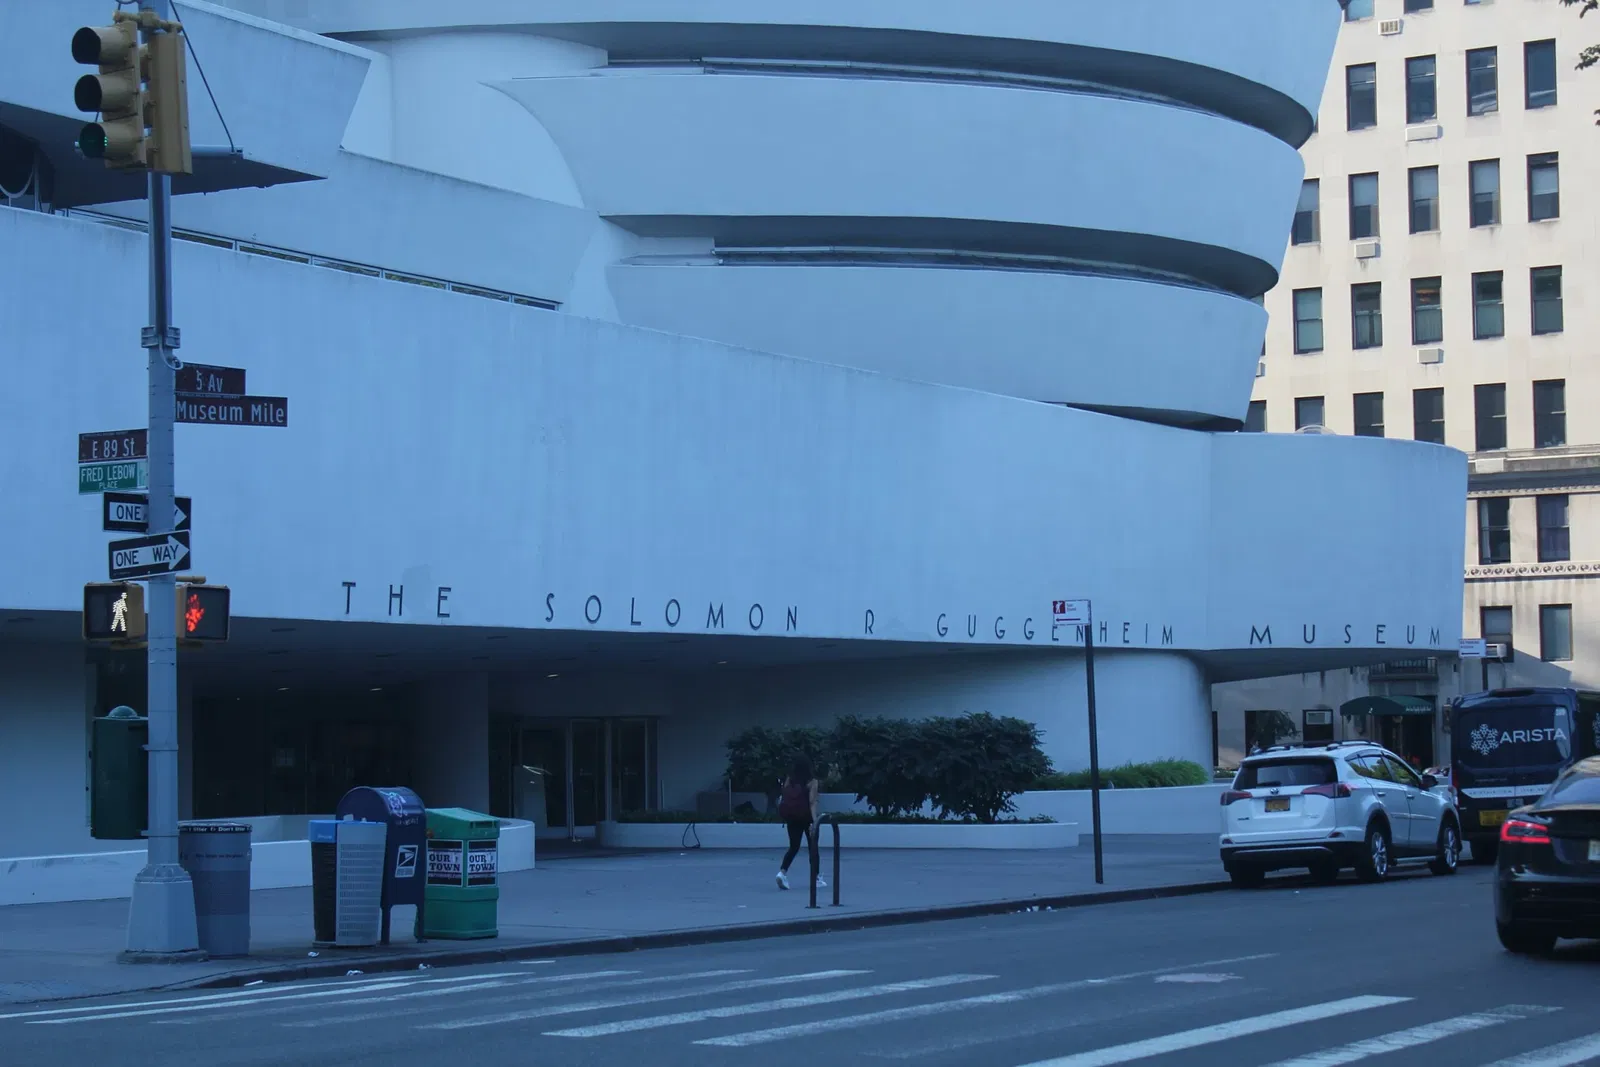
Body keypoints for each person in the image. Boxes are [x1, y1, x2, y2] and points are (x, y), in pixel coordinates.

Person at [775, 755, 825, 890]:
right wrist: (815, 822)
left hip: (791, 818)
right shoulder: (812, 782)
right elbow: (812, 802)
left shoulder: (789, 780)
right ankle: (816, 878)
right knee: (812, 848)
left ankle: (782, 873)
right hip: (807, 818)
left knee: (794, 847)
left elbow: (785, 797)